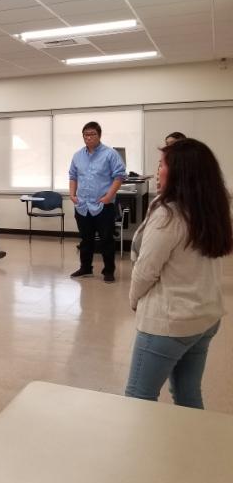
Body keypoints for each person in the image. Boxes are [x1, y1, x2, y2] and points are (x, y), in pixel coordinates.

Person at [125, 139, 232, 409]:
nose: (157, 170)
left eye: (162, 165)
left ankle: (142, 452)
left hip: (170, 323)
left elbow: (146, 271)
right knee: (187, 395)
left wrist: (134, 299)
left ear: (181, 172)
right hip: (205, 317)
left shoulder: (168, 215)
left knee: (139, 397)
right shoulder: (211, 209)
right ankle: (193, 449)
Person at [68, 121, 126, 283]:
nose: (88, 137)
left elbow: (119, 176)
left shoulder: (110, 154)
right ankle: (85, 268)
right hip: (82, 205)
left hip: (103, 205)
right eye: (85, 134)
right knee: (85, 239)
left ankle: (108, 271)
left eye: (92, 134)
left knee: (106, 239)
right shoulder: (78, 155)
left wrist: (109, 196)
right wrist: (72, 194)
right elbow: (73, 176)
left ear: (99, 135)